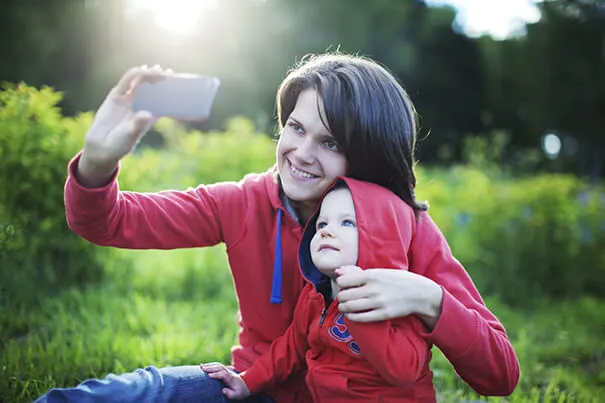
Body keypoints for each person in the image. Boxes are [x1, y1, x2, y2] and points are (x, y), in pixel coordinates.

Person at [37, 52, 519, 403]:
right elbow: (110, 223)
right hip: (251, 390)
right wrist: (97, 165)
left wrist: (428, 299)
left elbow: (500, 373)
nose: (301, 153)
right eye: (295, 127)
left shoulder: (408, 227)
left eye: (330, 142)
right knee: (137, 392)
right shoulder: (242, 201)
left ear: (368, 153)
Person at [203, 178, 435, 402]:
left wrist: (355, 303)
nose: (326, 231)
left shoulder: (400, 300)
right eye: (322, 223)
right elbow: (291, 347)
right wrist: (247, 382)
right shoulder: (316, 295)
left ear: (383, 238)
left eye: (346, 223)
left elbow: (404, 371)